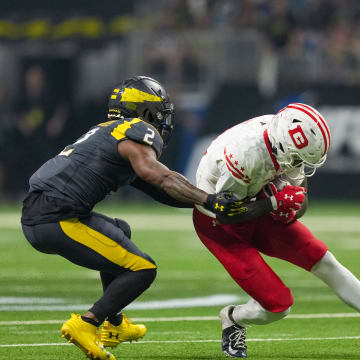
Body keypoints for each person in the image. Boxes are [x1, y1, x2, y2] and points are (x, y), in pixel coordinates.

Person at [20, 76, 242, 360]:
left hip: (46, 211)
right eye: (160, 111)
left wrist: (203, 205)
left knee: (119, 230)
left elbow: (159, 190)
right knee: (142, 269)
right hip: (55, 217)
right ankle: (87, 323)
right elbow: (161, 177)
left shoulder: (110, 131)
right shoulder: (136, 131)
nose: (163, 118)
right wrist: (210, 199)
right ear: (145, 109)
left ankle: (114, 325)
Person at [192, 103, 360, 358]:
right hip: (218, 223)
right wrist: (273, 202)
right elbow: (227, 214)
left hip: (256, 201)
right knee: (278, 305)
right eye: (296, 159)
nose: (297, 164)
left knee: (323, 259)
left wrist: (289, 204)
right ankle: (233, 318)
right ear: (283, 147)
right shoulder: (245, 154)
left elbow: (300, 201)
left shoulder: (285, 138)